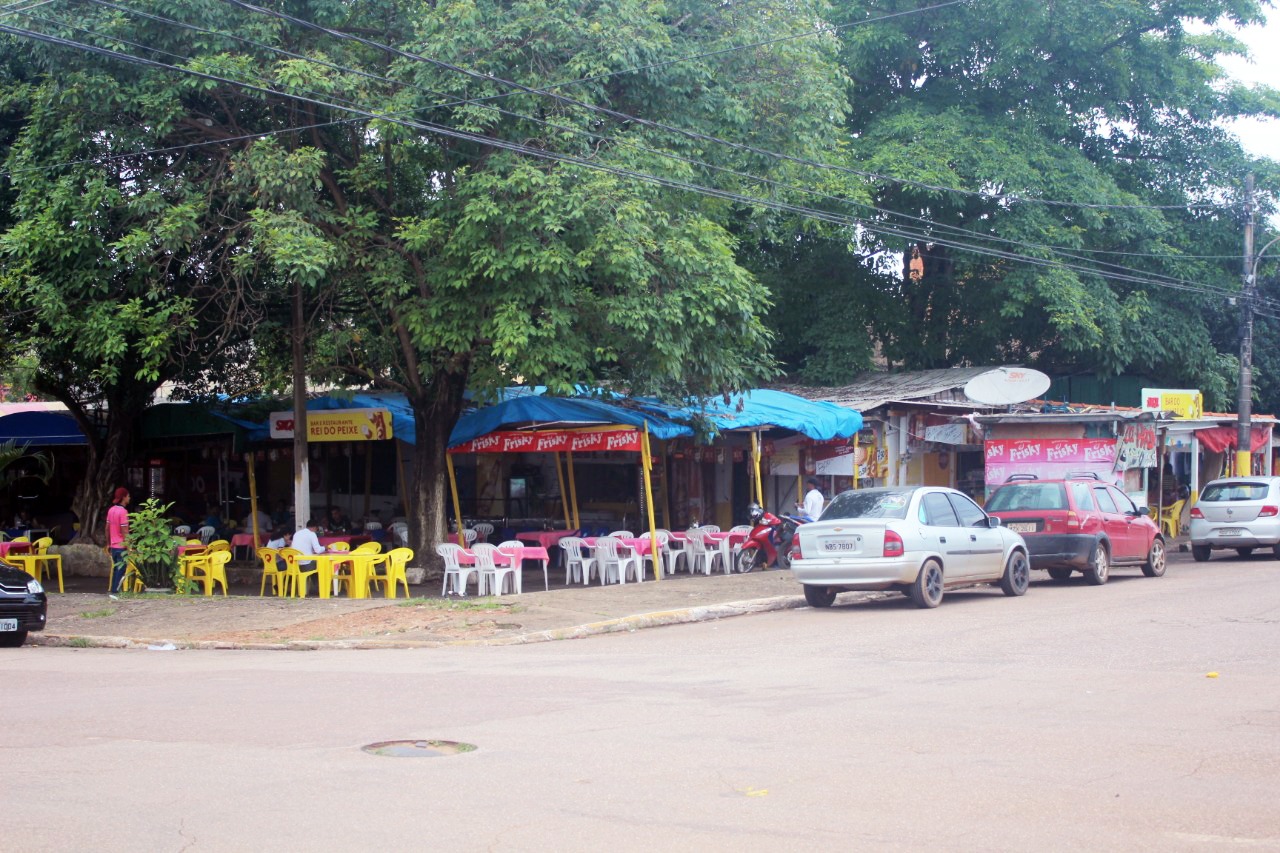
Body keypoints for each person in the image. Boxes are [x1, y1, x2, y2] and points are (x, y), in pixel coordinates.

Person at [107, 487, 130, 593]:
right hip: (121, 547)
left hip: (113, 546)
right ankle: (115, 592)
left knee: (116, 569)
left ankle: (113, 590)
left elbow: (107, 528)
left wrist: (108, 543)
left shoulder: (111, 510)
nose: (129, 498)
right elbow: (125, 531)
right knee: (121, 570)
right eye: (128, 496)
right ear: (123, 497)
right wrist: (129, 547)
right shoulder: (123, 512)